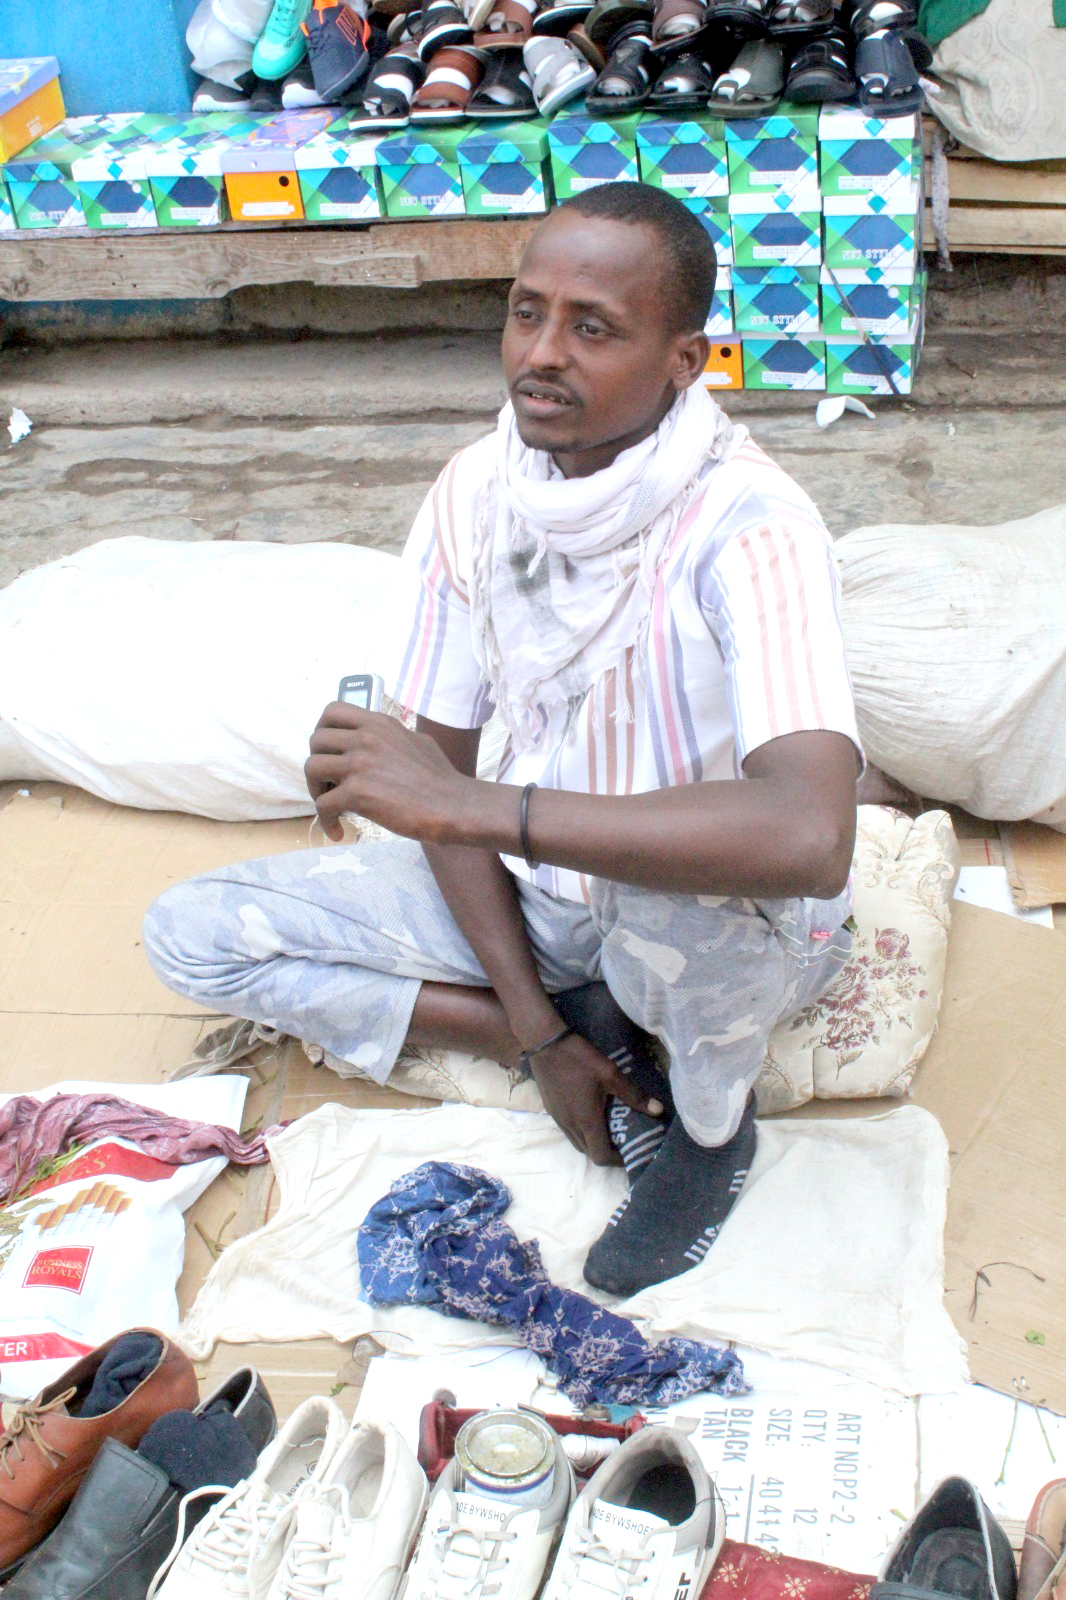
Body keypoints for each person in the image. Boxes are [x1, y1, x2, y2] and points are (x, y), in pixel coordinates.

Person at [143, 182, 861, 1297]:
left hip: (723, 919)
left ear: (687, 360)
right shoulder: (478, 492)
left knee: (655, 886)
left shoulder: (752, 528)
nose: (542, 353)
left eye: (593, 327)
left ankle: (713, 1132)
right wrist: (530, 1029)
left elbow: (811, 834)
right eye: (527, 312)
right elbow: (443, 779)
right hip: (539, 906)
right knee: (192, 934)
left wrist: (477, 806)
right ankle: (584, 1029)